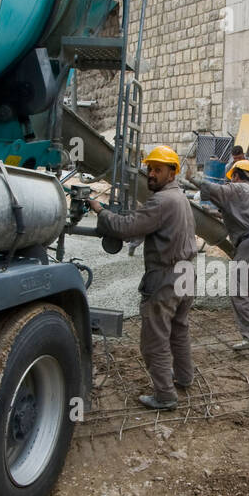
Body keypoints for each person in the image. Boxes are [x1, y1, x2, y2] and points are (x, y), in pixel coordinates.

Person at [90, 145, 197, 410]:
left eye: (158, 170)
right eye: (150, 169)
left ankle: (165, 396)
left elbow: (126, 228)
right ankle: (183, 377)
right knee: (179, 329)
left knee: (155, 338)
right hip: (187, 273)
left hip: (166, 276)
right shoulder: (181, 198)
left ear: (172, 173)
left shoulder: (161, 201)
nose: (151, 174)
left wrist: (100, 212)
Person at [196, 159, 249, 352]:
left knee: (239, 290)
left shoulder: (237, 189)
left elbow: (215, 190)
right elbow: (239, 214)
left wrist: (193, 179)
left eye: (232, 177)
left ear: (236, 175)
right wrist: (214, 213)